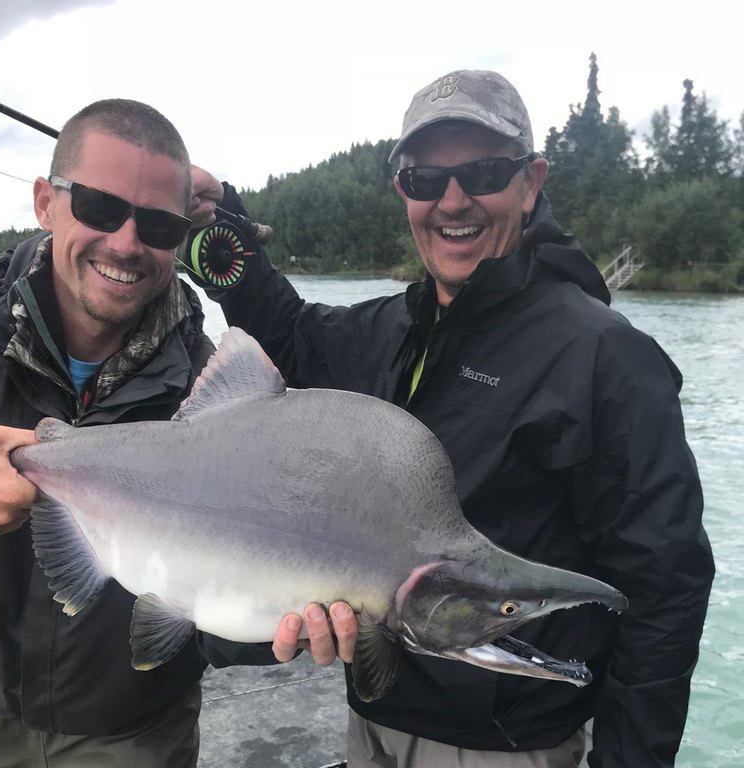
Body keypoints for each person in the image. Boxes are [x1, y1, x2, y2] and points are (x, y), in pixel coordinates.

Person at [198, 69, 715, 766]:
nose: (452, 200)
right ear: (402, 193)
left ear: (531, 183)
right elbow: (290, 337)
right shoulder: (388, 329)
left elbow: (665, 587)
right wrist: (227, 226)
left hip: (508, 746)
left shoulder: (605, 359)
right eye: (424, 179)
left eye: (484, 172)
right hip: (372, 723)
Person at [0, 98, 355, 767]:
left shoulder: (218, 399)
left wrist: (282, 616)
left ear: (180, 238)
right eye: (98, 207)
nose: (125, 243)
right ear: (44, 201)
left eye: (156, 224)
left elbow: (214, 611)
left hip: (134, 733)